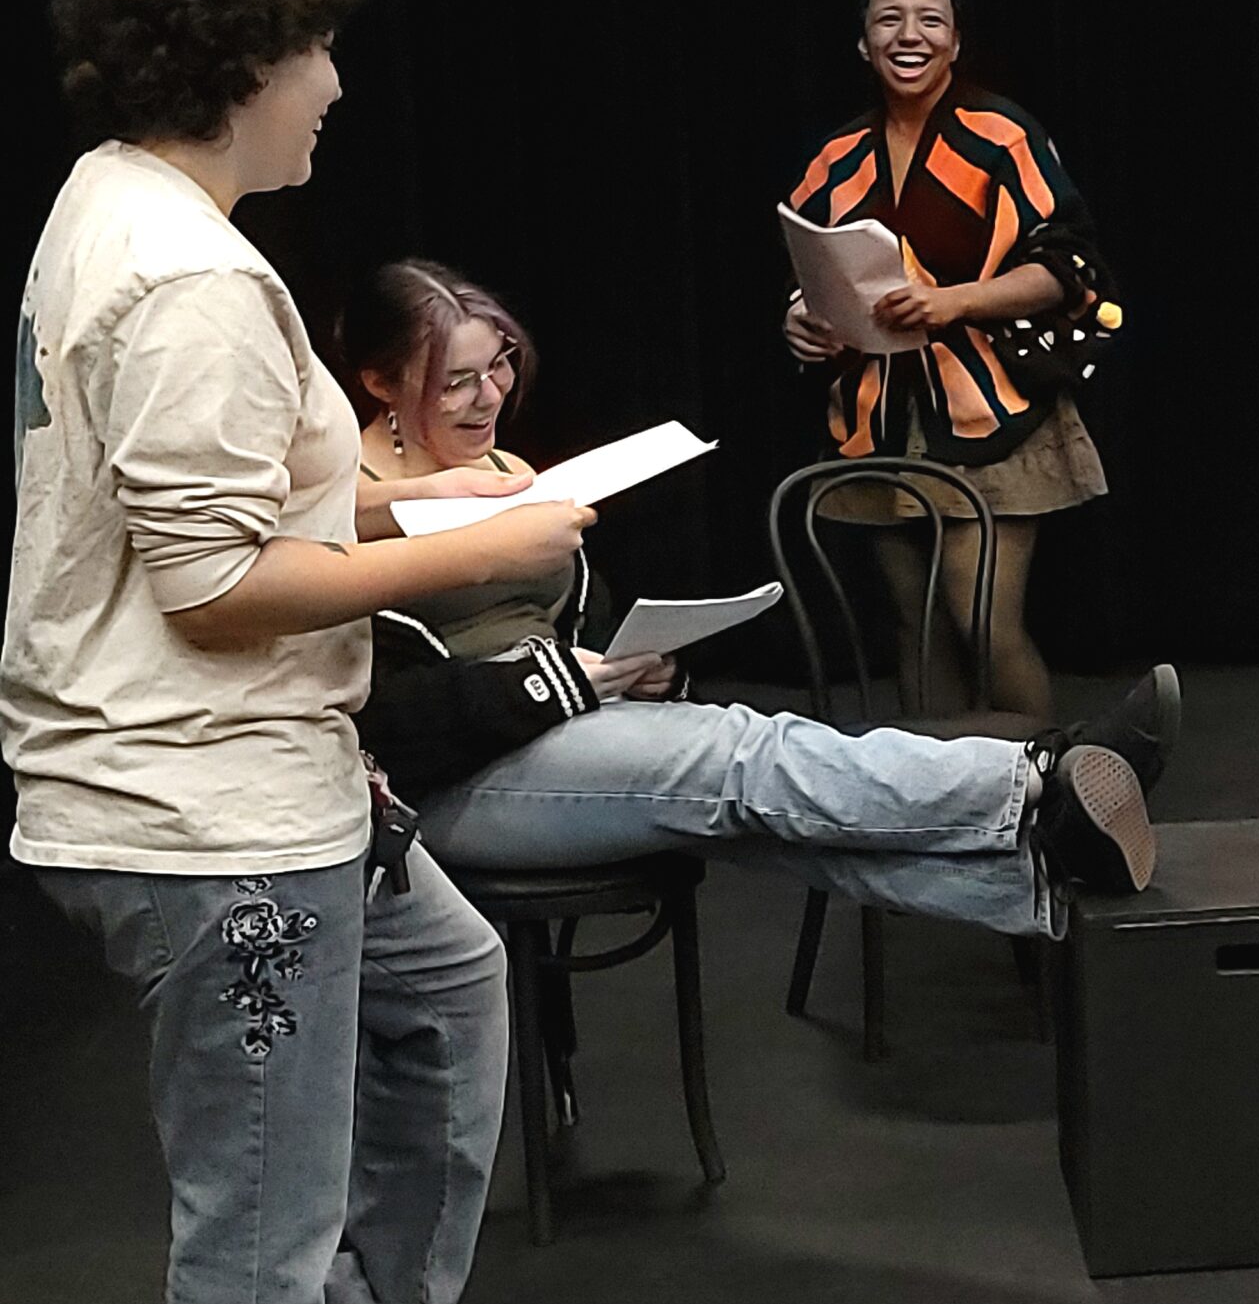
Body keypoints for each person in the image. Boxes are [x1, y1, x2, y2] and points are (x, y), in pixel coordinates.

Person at [6, 0, 592, 1300]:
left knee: (451, 993)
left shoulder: (109, 198)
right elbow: (209, 583)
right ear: (246, 56)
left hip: (260, 787)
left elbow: (180, 492)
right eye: (319, 46)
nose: (333, 81)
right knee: (260, 1234)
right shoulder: (191, 274)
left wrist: (407, 497)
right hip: (218, 820)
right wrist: (491, 548)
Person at [335, 259, 1175, 932]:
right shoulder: (343, 509)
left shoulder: (499, 470)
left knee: (761, 810)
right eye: (456, 382)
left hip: (572, 727)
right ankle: (1037, 780)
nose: (489, 399)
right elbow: (386, 725)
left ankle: (1047, 861)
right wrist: (557, 684)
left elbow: (568, 616)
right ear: (380, 382)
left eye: (499, 369)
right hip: (444, 786)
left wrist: (641, 662)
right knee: (737, 754)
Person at [780, 0, 1120, 723]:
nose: (910, 34)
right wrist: (800, 321)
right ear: (862, 42)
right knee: (917, 623)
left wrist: (952, 303)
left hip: (995, 410)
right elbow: (814, 275)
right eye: (888, 18)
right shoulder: (834, 159)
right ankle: (940, 807)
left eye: (929, 19)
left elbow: (1069, 266)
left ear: (957, 41)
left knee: (981, 621)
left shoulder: (1000, 134)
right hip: (879, 421)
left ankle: (1048, 791)